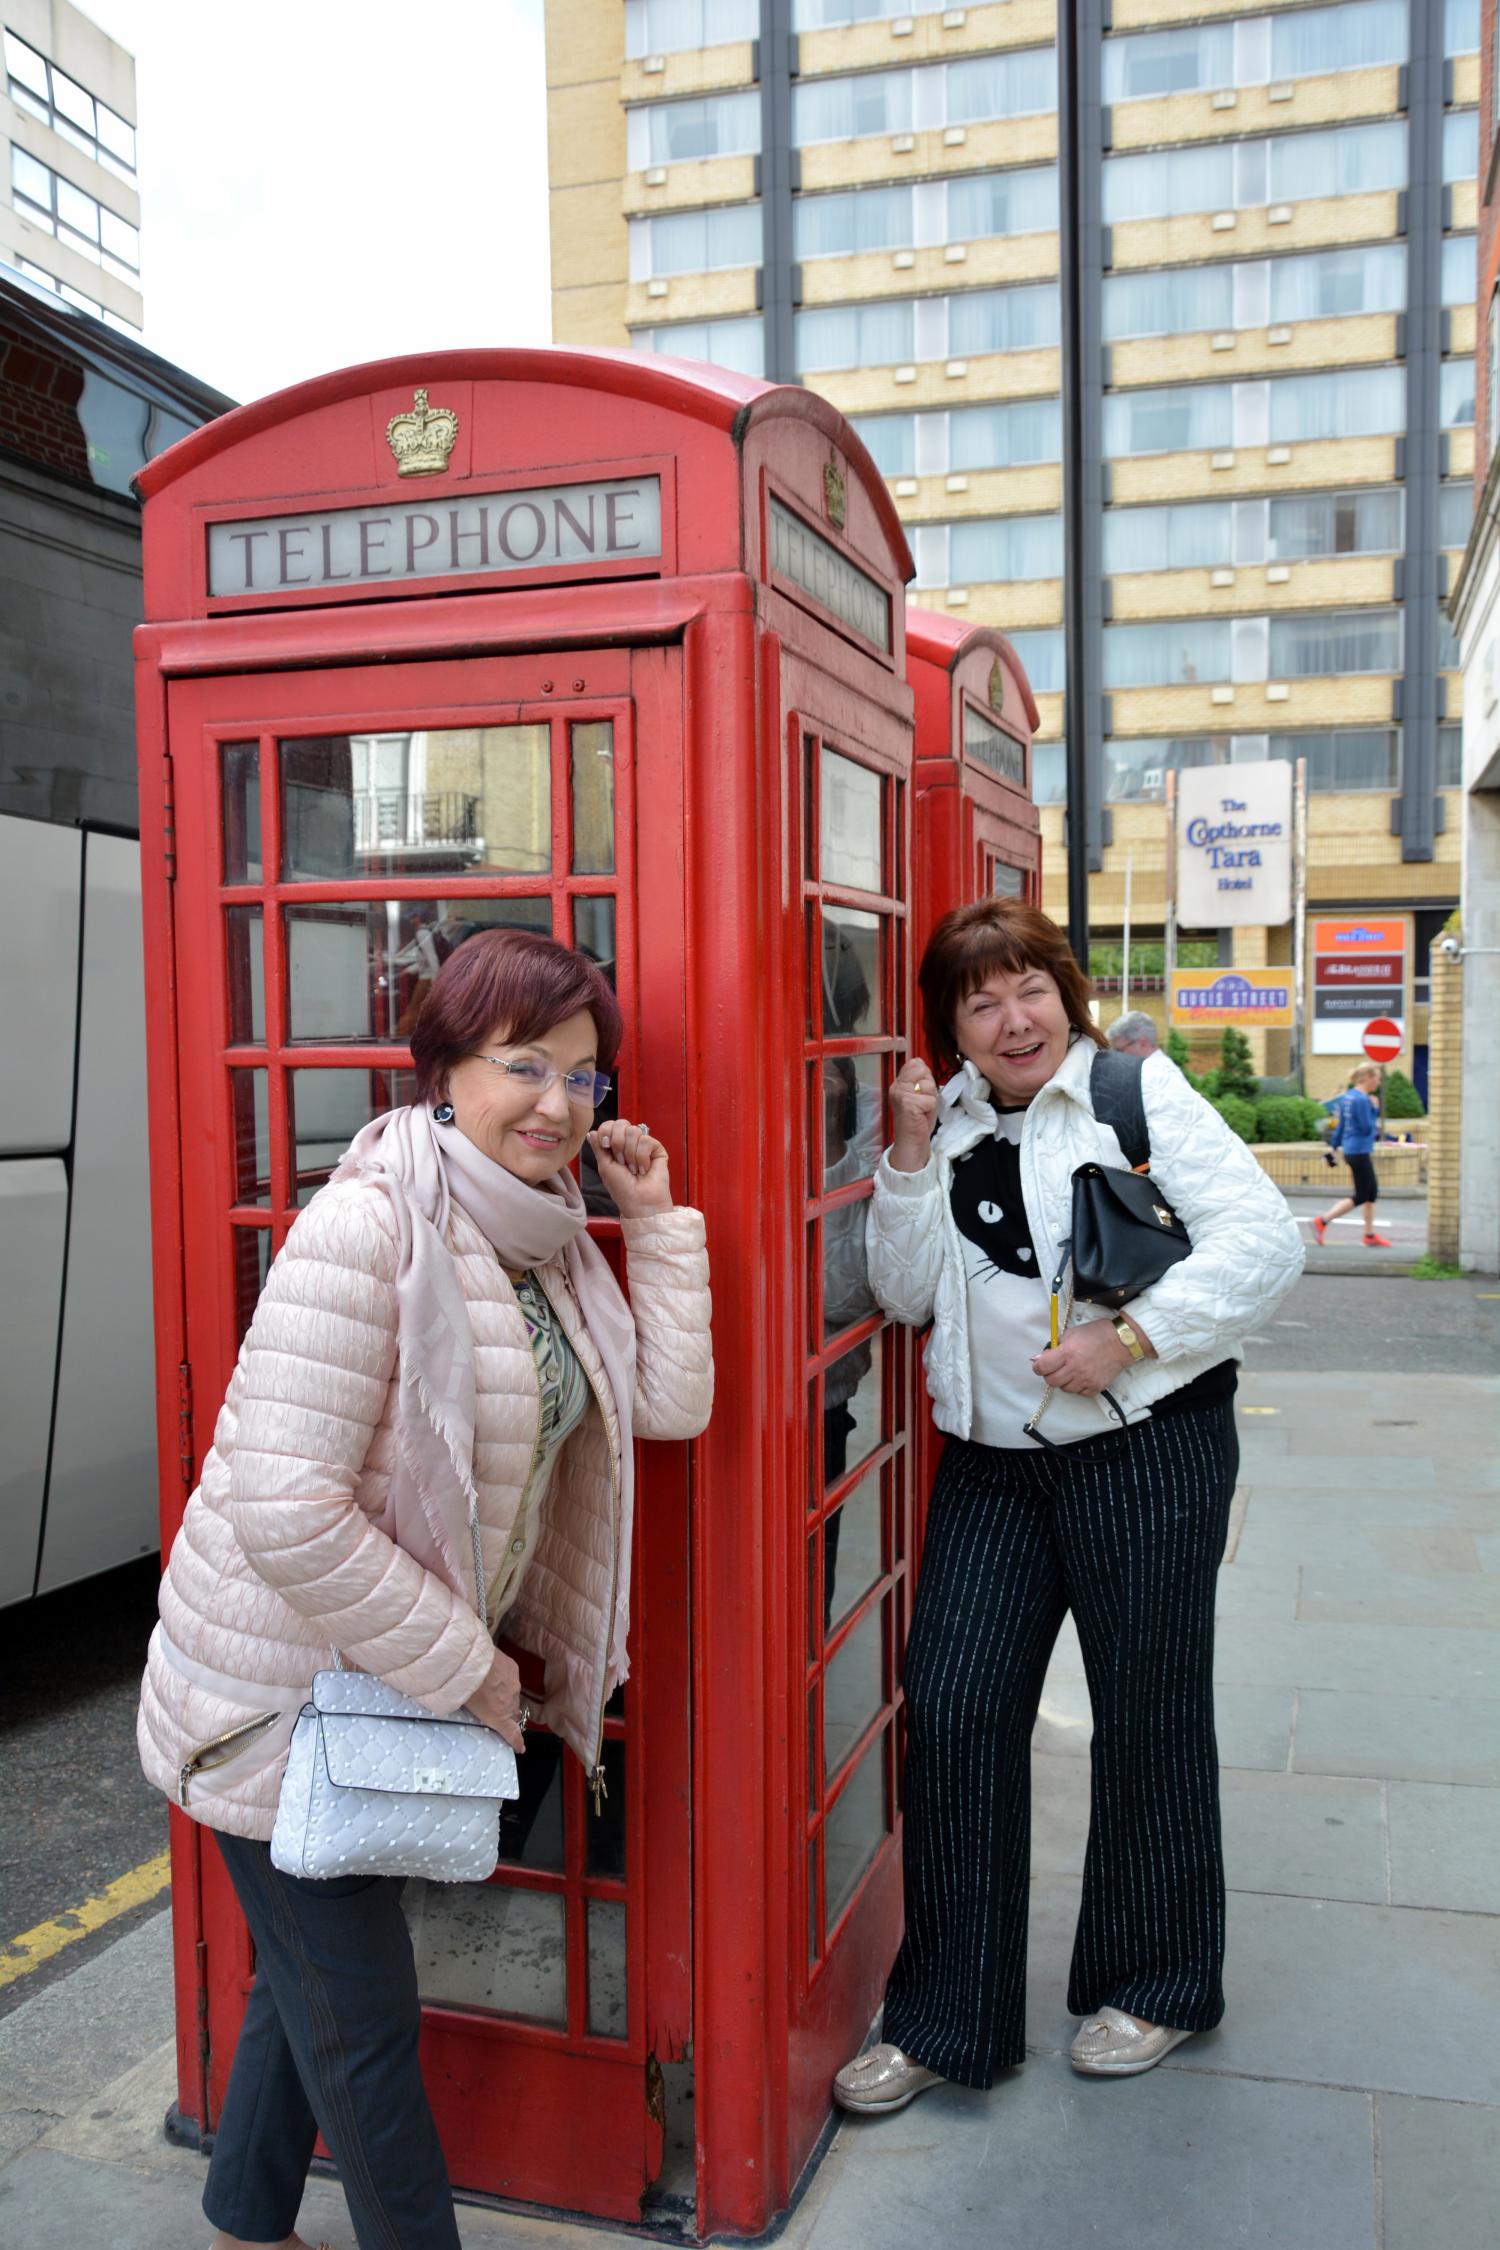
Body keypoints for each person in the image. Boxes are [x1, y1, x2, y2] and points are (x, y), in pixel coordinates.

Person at [137, 928, 714, 2250]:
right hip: (275, 1700)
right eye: (525, 1063)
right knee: (365, 2026)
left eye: (584, 1075)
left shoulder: (547, 1239)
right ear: (445, 1067)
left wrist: (651, 1223)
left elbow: (670, 1405)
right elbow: (287, 1509)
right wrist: (469, 1668)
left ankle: (243, 2221)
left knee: (313, 1990)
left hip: (385, 1690)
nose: (559, 1103)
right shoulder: (369, 1225)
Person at [833, 899, 1303, 2116]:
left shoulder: (1131, 1096)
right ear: (950, 1026)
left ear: (1066, 994)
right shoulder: (944, 1124)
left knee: (1146, 1712)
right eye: (980, 1001)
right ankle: (948, 2018)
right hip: (993, 1465)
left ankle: (1156, 1984)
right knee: (953, 1709)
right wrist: (904, 1158)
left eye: (1030, 988)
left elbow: (1265, 1241)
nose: (1013, 1019)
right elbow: (901, 1294)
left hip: (1147, 1450)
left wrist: (1130, 1337)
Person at [1312, 1063, 1389, 1248]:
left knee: (1371, 1192)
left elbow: (1341, 1126)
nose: (1378, 1083)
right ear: (1368, 1078)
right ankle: (1322, 1221)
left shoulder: (1348, 1097)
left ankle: (1369, 1235)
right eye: (1377, 1078)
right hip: (1359, 1151)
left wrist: (1334, 1146)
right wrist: (1374, 1109)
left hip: (1352, 1150)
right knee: (1362, 1195)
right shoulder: (1362, 1100)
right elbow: (1367, 1127)